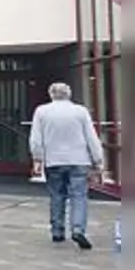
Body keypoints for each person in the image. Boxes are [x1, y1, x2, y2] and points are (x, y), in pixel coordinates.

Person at [29, 82, 107, 248]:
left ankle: (57, 230)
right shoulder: (80, 111)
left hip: (53, 160)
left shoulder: (42, 111)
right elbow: (91, 138)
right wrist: (98, 160)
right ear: (69, 94)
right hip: (79, 159)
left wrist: (37, 158)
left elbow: (36, 139)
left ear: (51, 94)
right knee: (79, 196)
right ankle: (78, 229)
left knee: (57, 195)